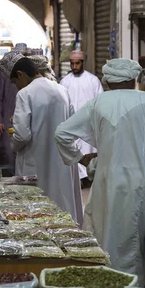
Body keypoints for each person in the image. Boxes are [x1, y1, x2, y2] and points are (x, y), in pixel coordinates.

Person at [54, 58, 145, 286]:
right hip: (142, 182)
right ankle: (140, 287)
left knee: (109, 233)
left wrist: (81, 158)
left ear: (108, 81)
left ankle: (110, 283)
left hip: (107, 181)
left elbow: (62, 133)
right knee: (141, 235)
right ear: (134, 79)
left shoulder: (97, 103)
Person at [0, 52, 83, 225]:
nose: (16, 86)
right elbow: (73, 126)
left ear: (21, 75)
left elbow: (22, 135)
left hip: (35, 163)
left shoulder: (25, 94)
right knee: (61, 209)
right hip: (61, 162)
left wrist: (14, 138)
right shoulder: (62, 90)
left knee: (37, 214)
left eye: (15, 82)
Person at [60, 50, 103, 187]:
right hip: (72, 122)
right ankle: (78, 179)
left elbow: (100, 101)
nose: (74, 67)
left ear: (83, 63)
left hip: (89, 122)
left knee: (88, 149)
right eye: (72, 64)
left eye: (77, 63)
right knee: (75, 149)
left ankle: (89, 177)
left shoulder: (93, 80)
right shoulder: (64, 82)